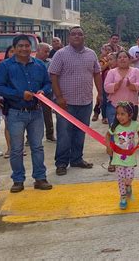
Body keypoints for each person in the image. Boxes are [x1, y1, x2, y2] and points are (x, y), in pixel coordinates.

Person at [0, 34, 53, 193]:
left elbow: (48, 83)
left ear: (31, 47)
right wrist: (20, 94)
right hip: (15, 113)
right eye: (20, 46)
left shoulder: (39, 65)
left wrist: (43, 91)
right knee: (16, 149)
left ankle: (40, 178)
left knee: (37, 147)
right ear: (14, 48)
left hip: (36, 112)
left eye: (27, 46)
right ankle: (18, 180)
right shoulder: (5, 66)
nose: (24, 49)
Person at [49, 26, 103, 176]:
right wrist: (59, 97)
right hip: (66, 103)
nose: (77, 36)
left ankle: (77, 159)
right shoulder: (60, 54)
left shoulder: (91, 54)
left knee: (81, 133)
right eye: (73, 34)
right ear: (69, 37)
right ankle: (61, 163)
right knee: (64, 134)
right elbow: (53, 75)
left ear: (84, 36)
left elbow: (97, 73)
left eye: (80, 34)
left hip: (85, 101)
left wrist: (100, 93)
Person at [105, 101, 139, 209]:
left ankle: (129, 185)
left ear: (130, 115)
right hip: (118, 157)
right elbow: (107, 135)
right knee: (121, 177)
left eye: (122, 114)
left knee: (129, 176)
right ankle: (122, 196)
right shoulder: (115, 127)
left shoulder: (135, 124)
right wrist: (108, 147)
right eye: (118, 114)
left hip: (130, 157)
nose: (119, 117)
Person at [104, 50, 139, 125]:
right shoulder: (112, 72)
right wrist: (117, 85)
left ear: (129, 59)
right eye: (120, 57)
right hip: (114, 106)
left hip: (130, 107)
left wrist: (130, 85)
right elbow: (106, 87)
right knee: (114, 132)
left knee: (129, 133)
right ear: (116, 60)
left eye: (125, 57)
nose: (122, 59)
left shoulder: (136, 71)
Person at [35, 43, 56, 143]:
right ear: (38, 51)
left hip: (47, 92)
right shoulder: (31, 62)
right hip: (33, 93)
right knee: (32, 115)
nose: (47, 54)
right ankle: (30, 138)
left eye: (48, 51)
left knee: (47, 114)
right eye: (45, 51)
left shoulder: (51, 62)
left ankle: (50, 134)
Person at [92, 44, 112, 124]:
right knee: (104, 99)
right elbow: (100, 69)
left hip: (113, 82)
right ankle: (104, 116)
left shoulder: (116, 59)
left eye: (109, 50)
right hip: (104, 81)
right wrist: (108, 63)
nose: (108, 52)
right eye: (106, 50)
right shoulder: (102, 60)